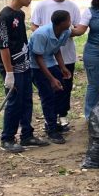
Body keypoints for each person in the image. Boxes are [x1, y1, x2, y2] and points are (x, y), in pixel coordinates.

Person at [0, 0, 48, 153]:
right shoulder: (4, 17)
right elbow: (4, 46)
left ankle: (27, 135)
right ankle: (7, 138)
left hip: (24, 64)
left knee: (26, 100)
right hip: (11, 67)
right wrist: (9, 72)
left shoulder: (21, 14)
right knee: (14, 102)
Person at [30, 0, 81, 131]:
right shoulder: (42, 14)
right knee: (48, 92)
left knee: (62, 87)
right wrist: (51, 78)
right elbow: (38, 55)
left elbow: (59, 45)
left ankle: (61, 117)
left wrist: (63, 66)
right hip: (40, 61)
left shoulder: (68, 19)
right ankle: (50, 125)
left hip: (59, 58)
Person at [29, 10, 72, 145]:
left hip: (50, 62)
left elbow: (56, 49)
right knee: (48, 96)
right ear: (61, 23)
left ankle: (53, 121)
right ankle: (51, 129)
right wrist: (51, 79)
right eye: (69, 20)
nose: (71, 22)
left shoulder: (65, 32)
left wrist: (62, 67)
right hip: (36, 66)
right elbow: (38, 58)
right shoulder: (41, 34)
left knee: (61, 90)